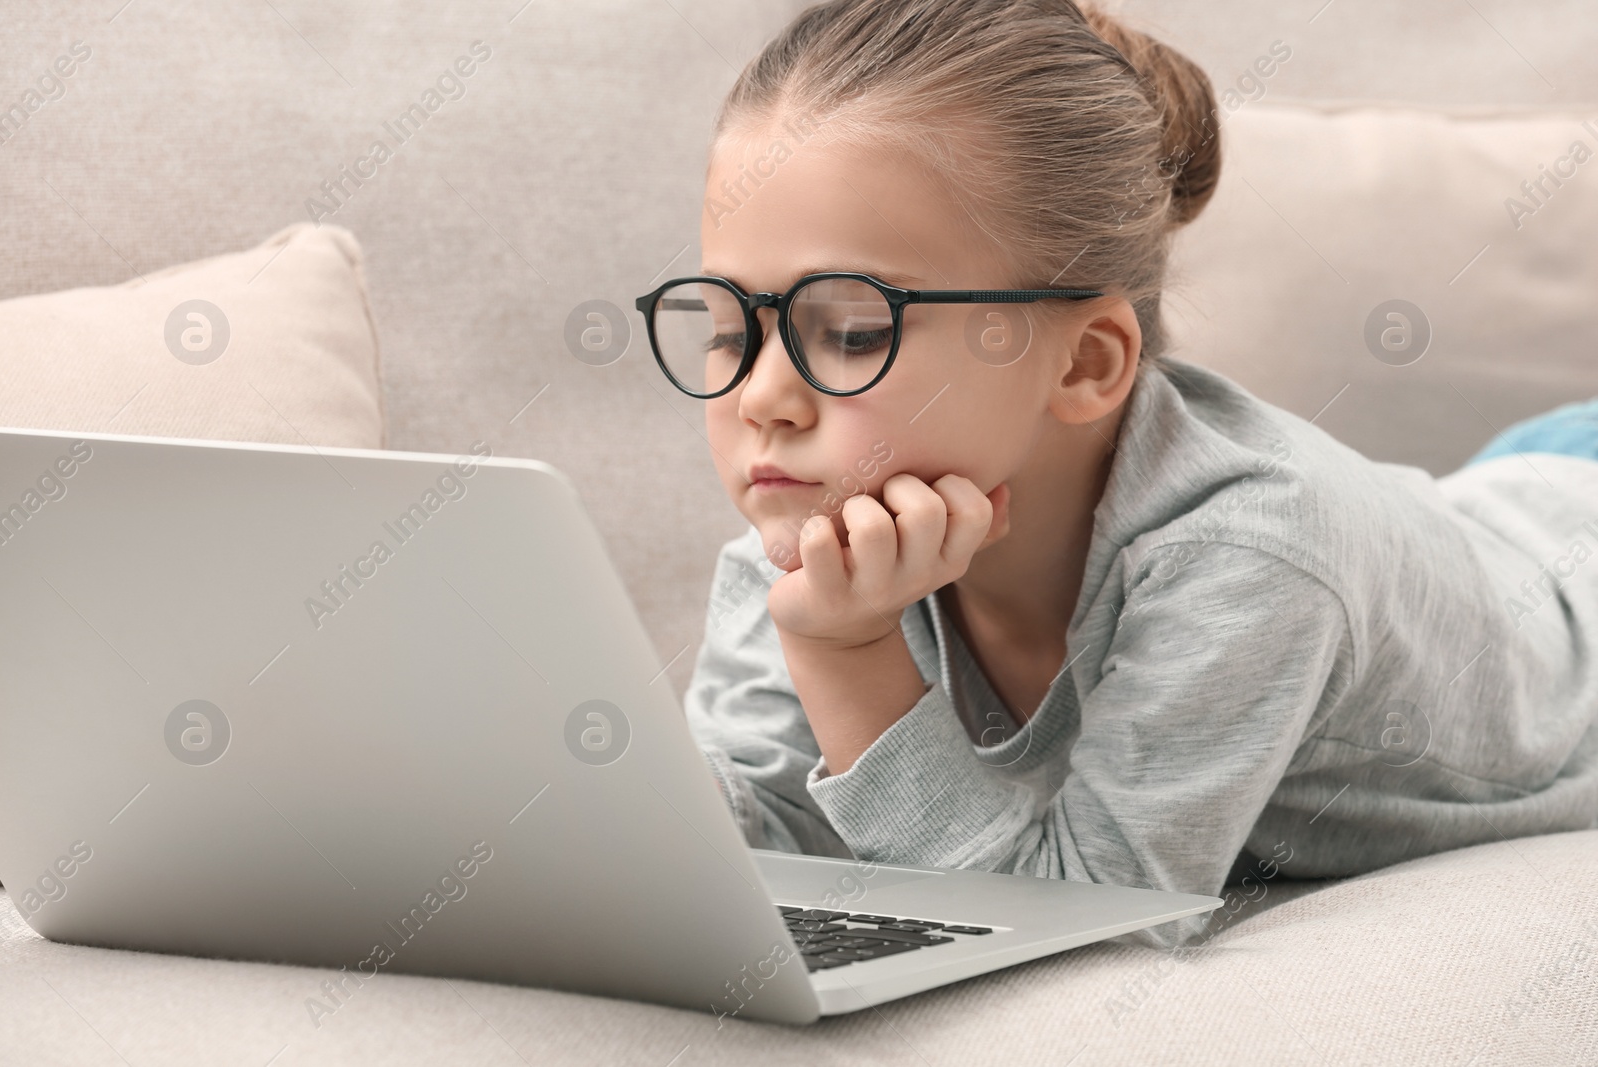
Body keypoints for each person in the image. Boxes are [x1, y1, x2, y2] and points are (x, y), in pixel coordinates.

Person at [633, 0, 1598, 949]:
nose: (762, 395)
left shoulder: (1249, 560)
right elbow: (768, 837)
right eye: (728, 328)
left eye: (849, 331)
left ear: (1086, 362)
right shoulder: (819, 540)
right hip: (1476, 508)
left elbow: (1077, 929)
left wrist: (848, 660)